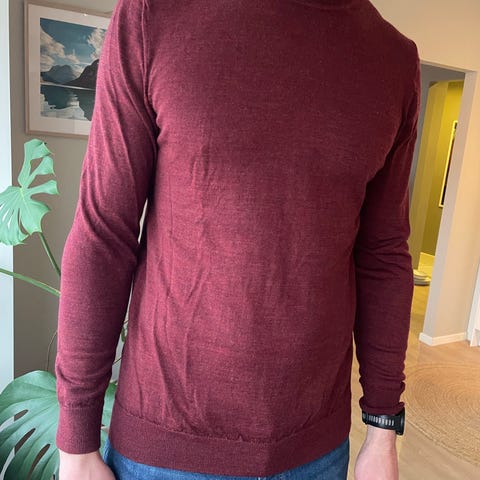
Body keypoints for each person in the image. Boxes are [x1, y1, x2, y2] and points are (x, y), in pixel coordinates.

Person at [55, 0, 420, 479]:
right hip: (166, 450)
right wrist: (76, 445)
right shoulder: (154, 16)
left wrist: (383, 425)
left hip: (317, 451)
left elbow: (383, 256)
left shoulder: (393, 59)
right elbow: (105, 232)